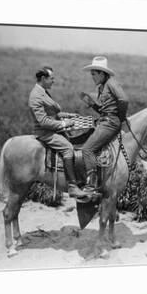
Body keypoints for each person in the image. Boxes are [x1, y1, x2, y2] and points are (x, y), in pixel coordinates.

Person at [28, 66, 86, 198]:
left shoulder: (43, 91)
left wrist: (69, 115)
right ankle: (72, 186)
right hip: (45, 132)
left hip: (53, 128)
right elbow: (43, 121)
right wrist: (64, 124)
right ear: (43, 78)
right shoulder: (36, 96)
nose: (53, 81)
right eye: (51, 78)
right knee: (68, 148)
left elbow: (53, 113)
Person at [80, 56, 129, 198]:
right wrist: (93, 104)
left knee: (87, 149)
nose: (92, 77)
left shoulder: (111, 83)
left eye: (94, 74)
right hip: (105, 121)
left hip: (110, 123)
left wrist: (120, 118)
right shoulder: (102, 87)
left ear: (102, 73)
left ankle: (92, 184)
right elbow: (105, 110)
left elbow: (124, 100)